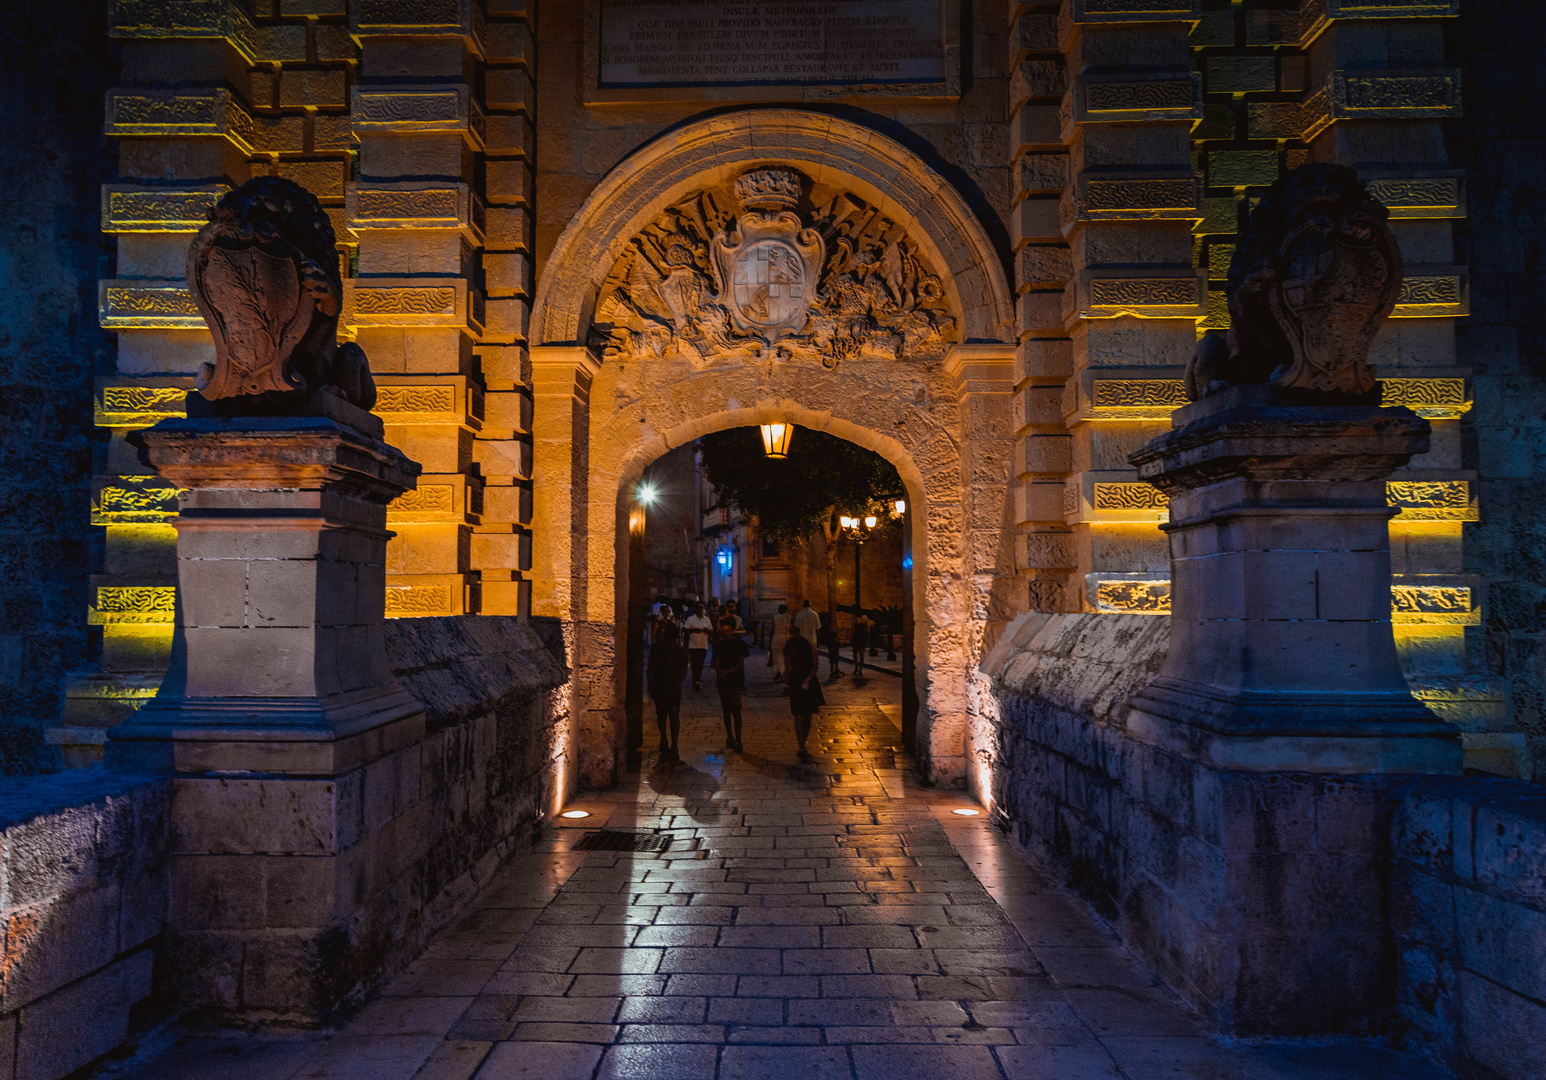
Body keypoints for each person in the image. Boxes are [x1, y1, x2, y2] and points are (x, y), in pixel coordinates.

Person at [646, 622, 688, 761]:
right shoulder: (663, 650)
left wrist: (651, 685)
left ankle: (668, 741)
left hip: (665, 687)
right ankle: (669, 742)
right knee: (670, 715)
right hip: (668, 687)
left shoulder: (660, 650)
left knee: (665, 714)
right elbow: (683, 671)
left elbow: (651, 669)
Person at [783, 625, 823, 763]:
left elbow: (788, 668)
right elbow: (815, 667)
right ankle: (802, 745)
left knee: (799, 715)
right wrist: (807, 680)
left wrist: (789, 681)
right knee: (806, 715)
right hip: (808, 681)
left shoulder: (789, 647)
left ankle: (801, 745)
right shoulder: (810, 647)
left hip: (797, 680)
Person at [711, 616, 749, 752]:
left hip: (735, 679)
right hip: (723, 680)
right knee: (726, 709)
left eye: (728, 631)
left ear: (733, 631)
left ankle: (738, 738)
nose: (726, 633)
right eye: (724, 631)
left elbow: (740, 664)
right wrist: (720, 672)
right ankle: (729, 736)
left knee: (736, 709)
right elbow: (717, 660)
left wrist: (726, 672)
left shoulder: (739, 645)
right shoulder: (719, 645)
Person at [683, 603, 713, 690]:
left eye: (701, 607)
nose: (700, 609)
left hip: (703, 645)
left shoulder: (707, 619)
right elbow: (685, 629)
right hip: (693, 645)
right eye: (698, 607)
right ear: (695, 609)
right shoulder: (691, 619)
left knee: (700, 663)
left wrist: (707, 630)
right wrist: (693, 630)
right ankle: (696, 680)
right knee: (695, 663)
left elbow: (711, 631)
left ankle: (697, 680)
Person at [768, 603, 792, 680]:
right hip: (786, 638)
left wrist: (770, 639)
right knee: (785, 656)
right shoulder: (789, 617)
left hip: (777, 637)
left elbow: (773, 629)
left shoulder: (775, 617)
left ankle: (778, 672)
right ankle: (783, 674)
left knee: (777, 657)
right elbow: (791, 628)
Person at [851, 612, 870, 677]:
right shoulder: (865, 617)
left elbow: (853, 629)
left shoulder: (854, 618)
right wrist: (867, 636)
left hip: (856, 636)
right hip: (862, 636)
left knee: (855, 653)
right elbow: (867, 628)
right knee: (861, 654)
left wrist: (851, 638)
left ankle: (856, 667)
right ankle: (860, 669)